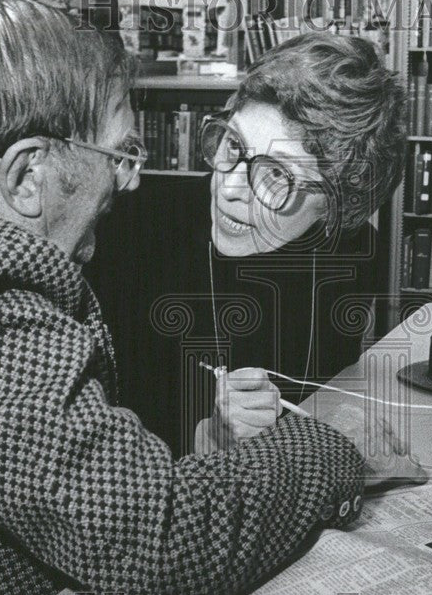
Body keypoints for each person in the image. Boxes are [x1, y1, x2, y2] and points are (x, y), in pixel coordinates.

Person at [0, 0, 424, 595]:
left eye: (276, 178)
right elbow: (156, 545)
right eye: (118, 154)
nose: (133, 179)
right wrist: (332, 445)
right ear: (26, 174)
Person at [87, 32, 405, 456]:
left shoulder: (354, 251)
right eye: (232, 144)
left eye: (277, 175)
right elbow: (97, 443)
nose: (230, 186)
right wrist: (209, 438)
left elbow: (313, 395)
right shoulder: (127, 231)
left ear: (337, 206)